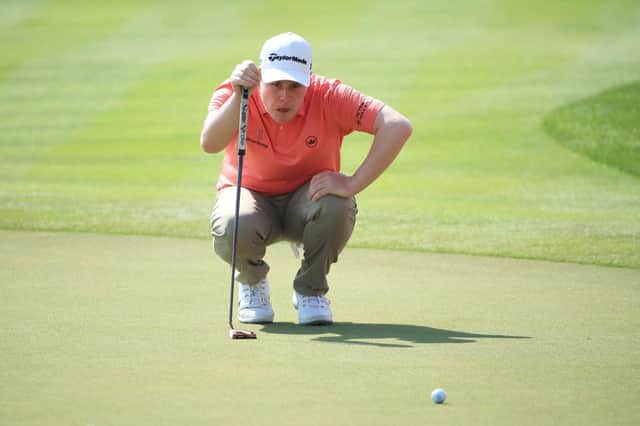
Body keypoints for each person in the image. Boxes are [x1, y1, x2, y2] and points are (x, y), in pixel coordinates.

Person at [200, 32, 412, 326]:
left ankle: (311, 290)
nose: (284, 96)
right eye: (275, 85)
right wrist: (238, 96)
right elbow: (210, 143)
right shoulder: (237, 92)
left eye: (294, 86)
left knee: (338, 203)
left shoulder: (329, 95)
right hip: (251, 199)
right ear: (260, 78)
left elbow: (397, 125)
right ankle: (252, 283)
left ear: (309, 80)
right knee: (233, 220)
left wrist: (352, 183)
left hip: (307, 202)